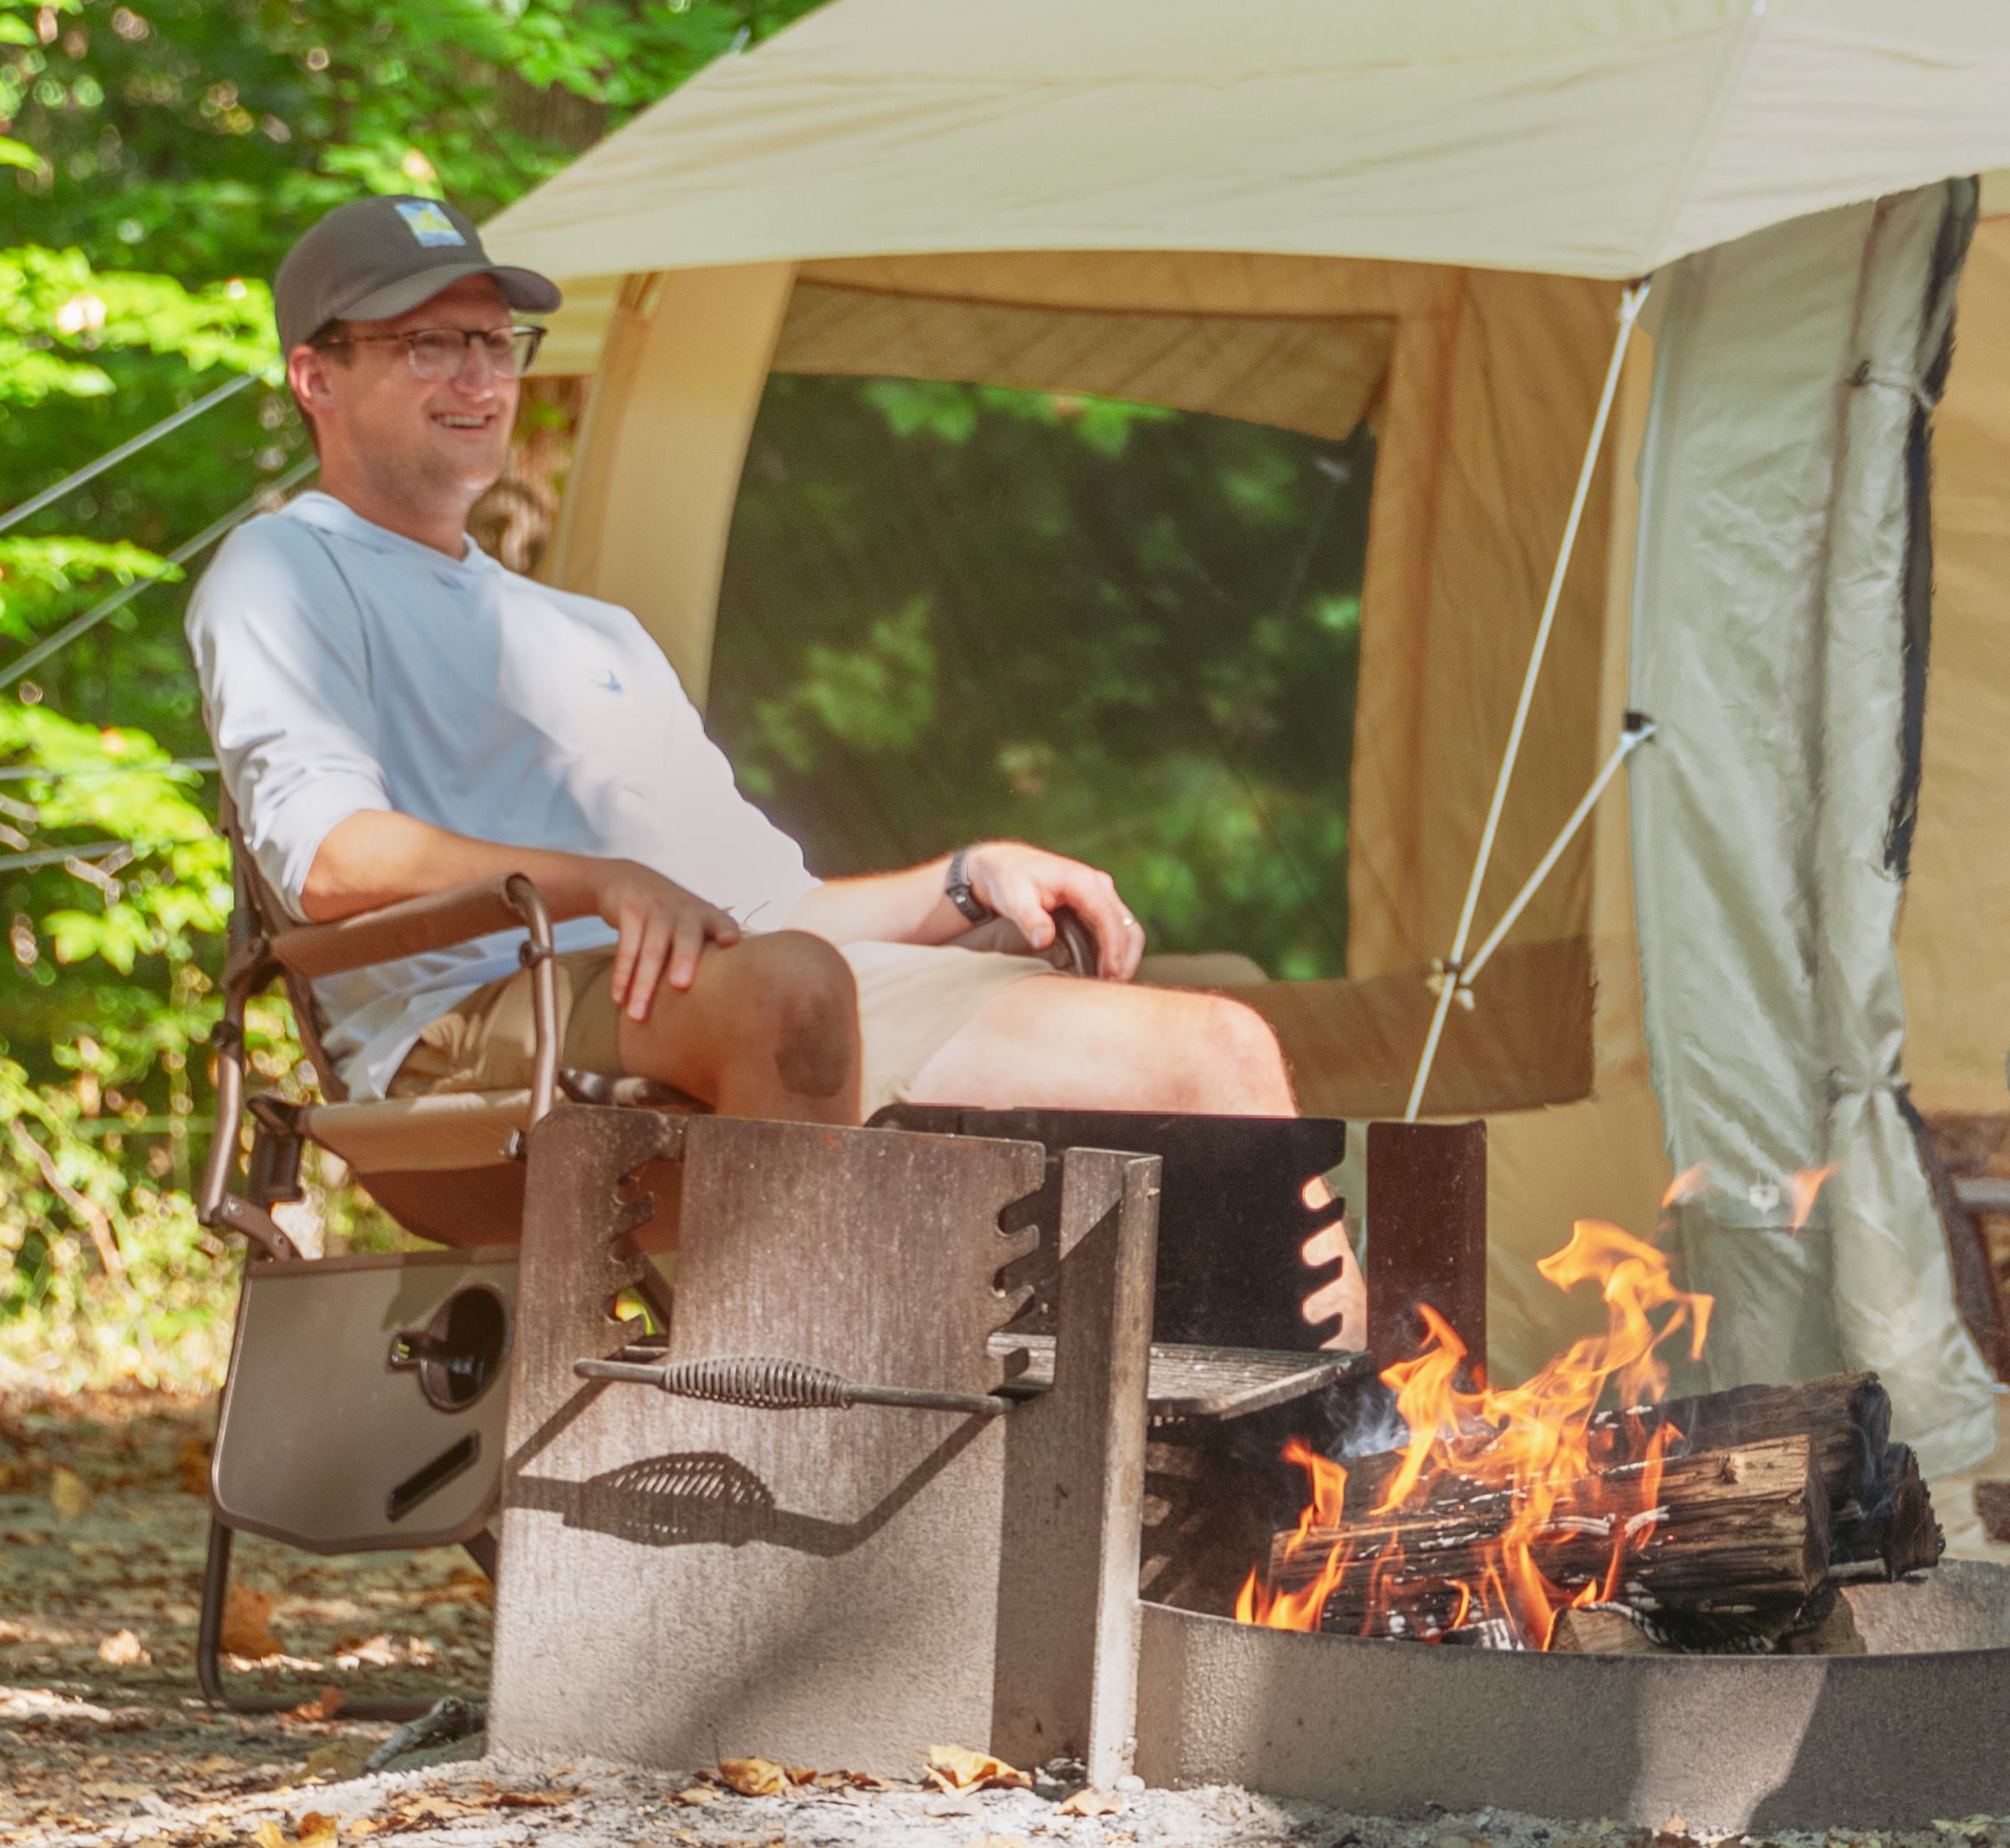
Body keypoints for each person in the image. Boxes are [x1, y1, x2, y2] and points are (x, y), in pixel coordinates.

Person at [188, 191, 1321, 1267]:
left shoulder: (594, 636)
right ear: (315, 376)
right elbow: (328, 860)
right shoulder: (287, 568)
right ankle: (798, 1416)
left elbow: (774, 907)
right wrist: (601, 883)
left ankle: (1336, 1457)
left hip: (715, 991)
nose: (477, 378)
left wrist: (969, 880)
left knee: (1217, 1049)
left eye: (495, 343)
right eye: (424, 345)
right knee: (787, 991)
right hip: (473, 1033)